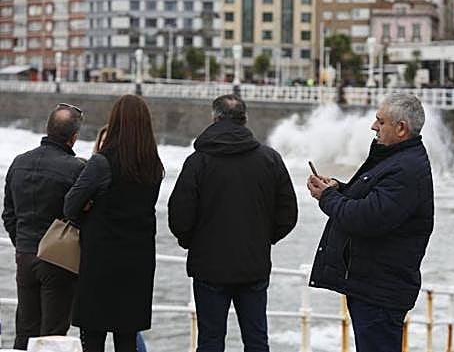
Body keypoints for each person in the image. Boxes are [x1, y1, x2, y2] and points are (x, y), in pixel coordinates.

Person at [168, 94, 298, 352]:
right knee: (257, 339)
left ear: (214, 119)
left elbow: (179, 215)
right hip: (253, 264)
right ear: (245, 120)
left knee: (210, 340)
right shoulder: (269, 159)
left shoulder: (198, 162)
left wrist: (192, 242)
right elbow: (288, 213)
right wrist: (263, 238)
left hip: (209, 266)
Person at [306, 93, 434, 352]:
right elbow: (373, 203)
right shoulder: (395, 158)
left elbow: (366, 218)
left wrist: (327, 197)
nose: (373, 126)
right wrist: (339, 190)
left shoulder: (405, 169)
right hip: (373, 285)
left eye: (380, 121)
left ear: (401, 128)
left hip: (380, 291)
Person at [64, 94, 163, 352]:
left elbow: (70, 205)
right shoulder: (154, 165)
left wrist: (91, 209)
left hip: (101, 260)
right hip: (138, 262)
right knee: (127, 337)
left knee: (93, 335)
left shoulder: (102, 162)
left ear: (115, 121)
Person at [2, 103, 84, 350]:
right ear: (73, 137)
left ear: (48, 130)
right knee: (54, 334)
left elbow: (9, 214)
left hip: (25, 256)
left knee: (25, 330)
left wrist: (24, 244)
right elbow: (83, 216)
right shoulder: (77, 169)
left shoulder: (19, 162)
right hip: (59, 260)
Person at [92, 124, 149, 352]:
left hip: (120, 262)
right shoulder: (92, 169)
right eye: (103, 142)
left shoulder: (134, 172)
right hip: (98, 261)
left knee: (126, 329)